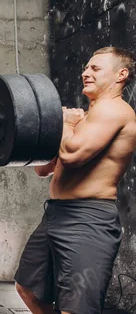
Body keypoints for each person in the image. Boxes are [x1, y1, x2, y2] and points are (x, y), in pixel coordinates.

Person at [15, 46, 136, 314]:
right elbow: (43, 169)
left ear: (121, 74)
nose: (85, 73)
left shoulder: (114, 111)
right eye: (85, 68)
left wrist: (66, 124)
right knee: (27, 288)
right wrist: (59, 128)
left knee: (76, 308)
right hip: (57, 214)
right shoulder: (86, 117)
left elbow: (71, 155)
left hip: (88, 219)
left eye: (95, 68)